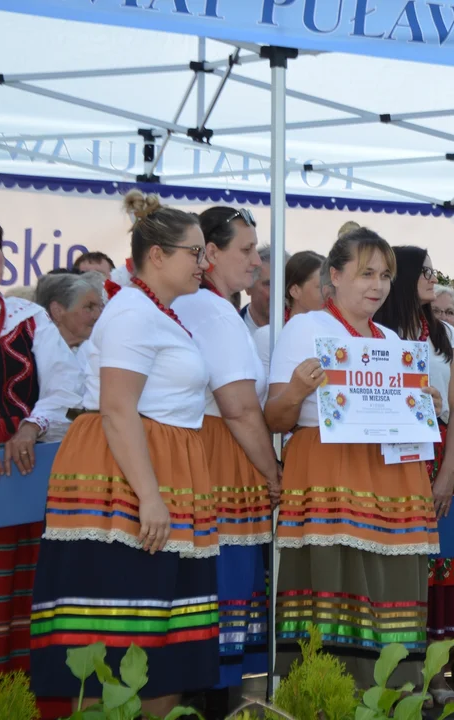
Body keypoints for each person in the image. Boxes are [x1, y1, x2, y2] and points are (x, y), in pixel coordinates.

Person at [30, 191, 219, 714]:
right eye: (194, 253)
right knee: (113, 629)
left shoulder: (157, 312)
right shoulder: (132, 313)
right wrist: (151, 499)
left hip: (163, 474)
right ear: (156, 255)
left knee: (165, 632)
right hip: (128, 480)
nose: (204, 264)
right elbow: (116, 409)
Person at [265, 227, 438, 689]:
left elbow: (403, 422)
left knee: (389, 591)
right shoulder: (306, 327)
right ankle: (328, 696)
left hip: (390, 477)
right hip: (327, 471)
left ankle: (390, 696)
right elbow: (275, 417)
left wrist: (422, 403)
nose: (377, 285)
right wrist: (300, 388)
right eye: (365, 274)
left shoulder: (389, 337)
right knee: (333, 588)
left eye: (384, 275)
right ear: (334, 276)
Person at [0, 216, 83, 718]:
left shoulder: (29, 316)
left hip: (23, 471)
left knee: (25, 588)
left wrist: (31, 427)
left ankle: (25, 704)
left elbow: (63, 385)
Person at [172, 206, 281, 695]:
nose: (256, 260)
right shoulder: (211, 309)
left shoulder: (203, 305)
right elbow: (237, 407)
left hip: (213, 451)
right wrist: (272, 471)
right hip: (219, 455)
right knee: (223, 587)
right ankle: (210, 698)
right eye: (247, 249)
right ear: (209, 253)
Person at [374, 246, 454, 706]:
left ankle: (434, 674)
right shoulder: (379, 330)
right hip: (390, 458)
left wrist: (449, 470)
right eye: (425, 270)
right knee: (398, 567)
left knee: (440, 569)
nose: (432, 277)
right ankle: (398, 674)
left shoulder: (444, 334)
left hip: (439, 455)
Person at [253, 250, 327, 380]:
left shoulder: (335, 336)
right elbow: (264, 396)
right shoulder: (269, 337)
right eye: (320, 287)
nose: (328, 294)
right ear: (295, 291)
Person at [34, 270, 105, 350]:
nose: (98, 315)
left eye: (100, 307)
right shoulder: (30, 357)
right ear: (57, 311)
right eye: (89, 307)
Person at [239, 238, 272, 334]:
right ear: (248, 288)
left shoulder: (301, 331)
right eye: (269, 285)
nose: (280, 293)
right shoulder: (230, 330)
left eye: (285, 284)